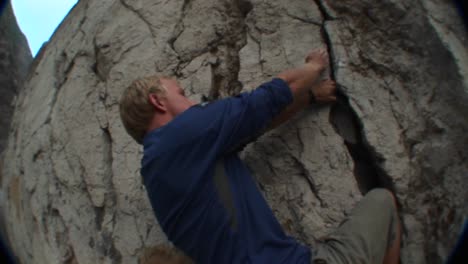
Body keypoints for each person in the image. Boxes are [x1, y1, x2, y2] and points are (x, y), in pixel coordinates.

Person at [120, 49, 401, 264]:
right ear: (158, 101)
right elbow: (265, 99)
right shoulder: (181, 134)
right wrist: (313, 66)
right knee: (382, 202)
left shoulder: (160, 171)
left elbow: (256, 124)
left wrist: (309, 98)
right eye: (180, 93)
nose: (191, 102)